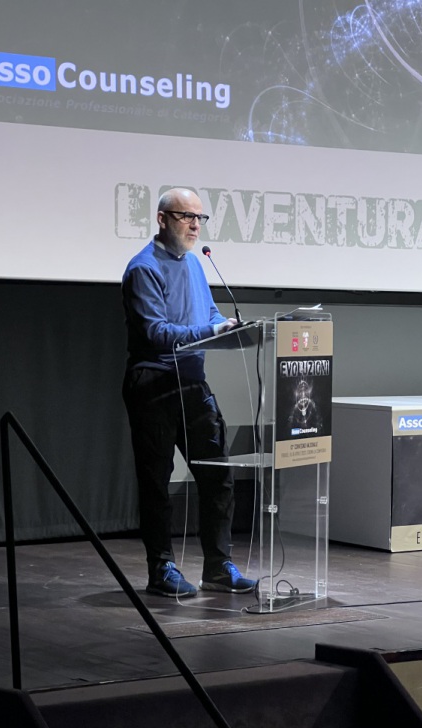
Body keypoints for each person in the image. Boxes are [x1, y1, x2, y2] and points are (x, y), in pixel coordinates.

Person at [121, 187, 258, 598]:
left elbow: (208, 313)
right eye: (186, 217)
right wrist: (211, 329)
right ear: (162, 219)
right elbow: (156, 331)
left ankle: (218, 566)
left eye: (200, 218)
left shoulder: (196, 264)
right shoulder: (143, 268)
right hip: (154, 383)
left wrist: (227, 326)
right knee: (157, 482)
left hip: (192, 382)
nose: (195, 225)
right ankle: (161, 568)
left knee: (217, 474)